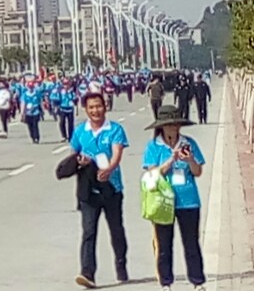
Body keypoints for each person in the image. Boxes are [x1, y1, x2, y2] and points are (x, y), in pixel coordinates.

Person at [70, 84, 129, 289]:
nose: (95, 110)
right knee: (88, 232)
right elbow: (73, 154)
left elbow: (117, 153)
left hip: (111, 188)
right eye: (91, 107)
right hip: (88, 191)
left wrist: (109, 168)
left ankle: (121, 264)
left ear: (105, 106)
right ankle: (87, 273)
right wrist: (80, 161)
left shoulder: (115, 130)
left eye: (98, 106)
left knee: (116, 229)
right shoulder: (80, 131)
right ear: (86, 109)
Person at [143, 106, 207, 291]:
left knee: (191, 243)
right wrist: (170, 160)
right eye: (169, 125)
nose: (173, 128)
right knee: (164, 245)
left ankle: (197, 281)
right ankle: (166, 282)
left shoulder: (189, 143)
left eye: (176, 124)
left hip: (188, 200)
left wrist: (190, 160)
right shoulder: (153, 146)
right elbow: (153, 174)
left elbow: (198, 171)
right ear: (162, 127)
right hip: (163, 202)